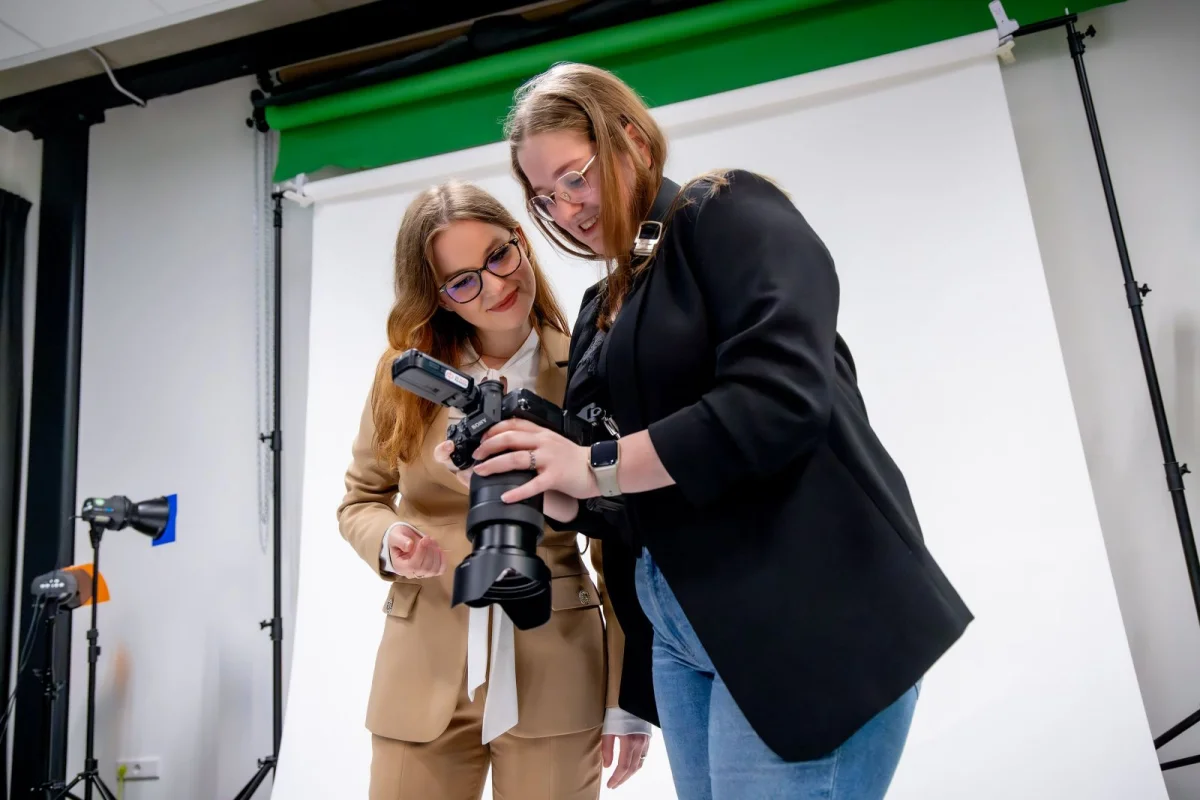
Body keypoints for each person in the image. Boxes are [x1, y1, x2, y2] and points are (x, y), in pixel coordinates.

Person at [461, 63, 975, 799]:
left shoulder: (726, 209)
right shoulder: (602, 304)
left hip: (799, 606)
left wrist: (594, 466)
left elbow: (779, 400)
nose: (567, 209)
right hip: (683, 627)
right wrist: (546, 480)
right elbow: (627, 495)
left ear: (631, 139)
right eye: (544, 198)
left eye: (575, 177)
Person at [336, 179, 651, 800]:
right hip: (422, 659)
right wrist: (393, 539)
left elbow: (619, 542)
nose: (496, 285)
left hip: (556, 661)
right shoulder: (404, 375)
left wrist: (627, 698)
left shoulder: (590, 367)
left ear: (522, 242)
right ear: (441, 297)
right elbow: (361, 499)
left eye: (499, 255)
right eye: (462, 281)